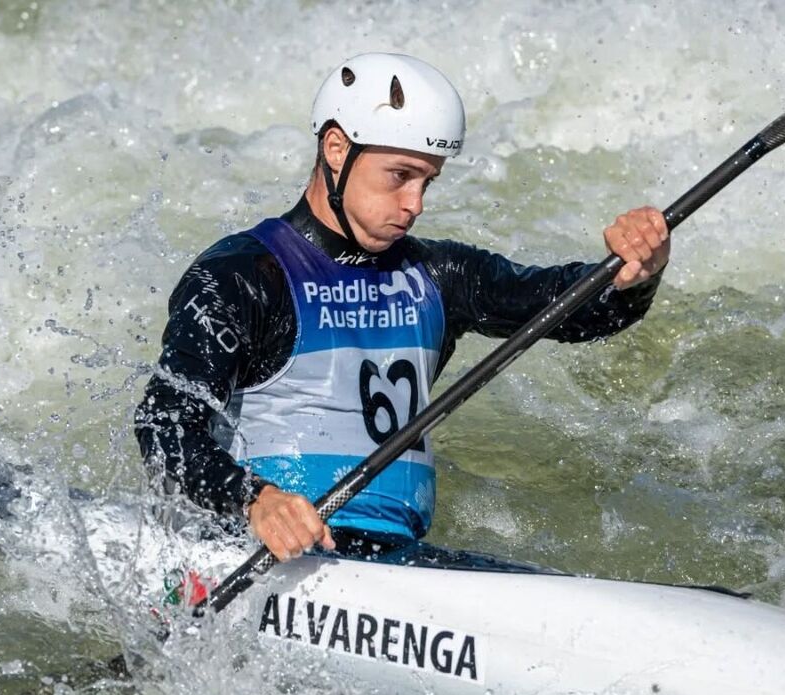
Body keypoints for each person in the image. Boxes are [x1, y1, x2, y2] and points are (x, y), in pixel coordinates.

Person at [136, 52, 669, 570]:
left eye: (427, 181)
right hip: (271, 558)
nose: (416, 204)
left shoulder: (437, 276)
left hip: (397, 565)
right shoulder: (243, 276)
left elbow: (577, 309)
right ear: (338, 150)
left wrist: (633, 275)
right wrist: (255, 500)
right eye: (400, 176)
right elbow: (164, 424)